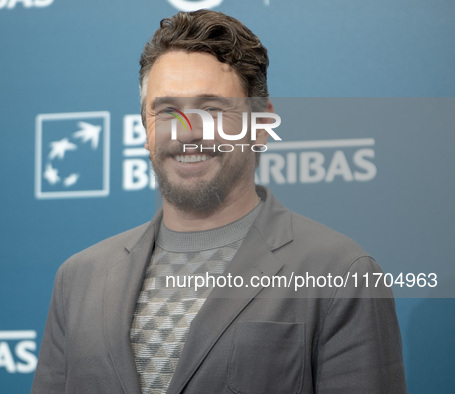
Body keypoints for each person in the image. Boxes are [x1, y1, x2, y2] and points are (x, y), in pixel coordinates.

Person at [31, 10, 407, 394]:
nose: (187, 132)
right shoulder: (77, 281)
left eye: (211, 109)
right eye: (167, 111)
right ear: (145, 129)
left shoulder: (342, 273)